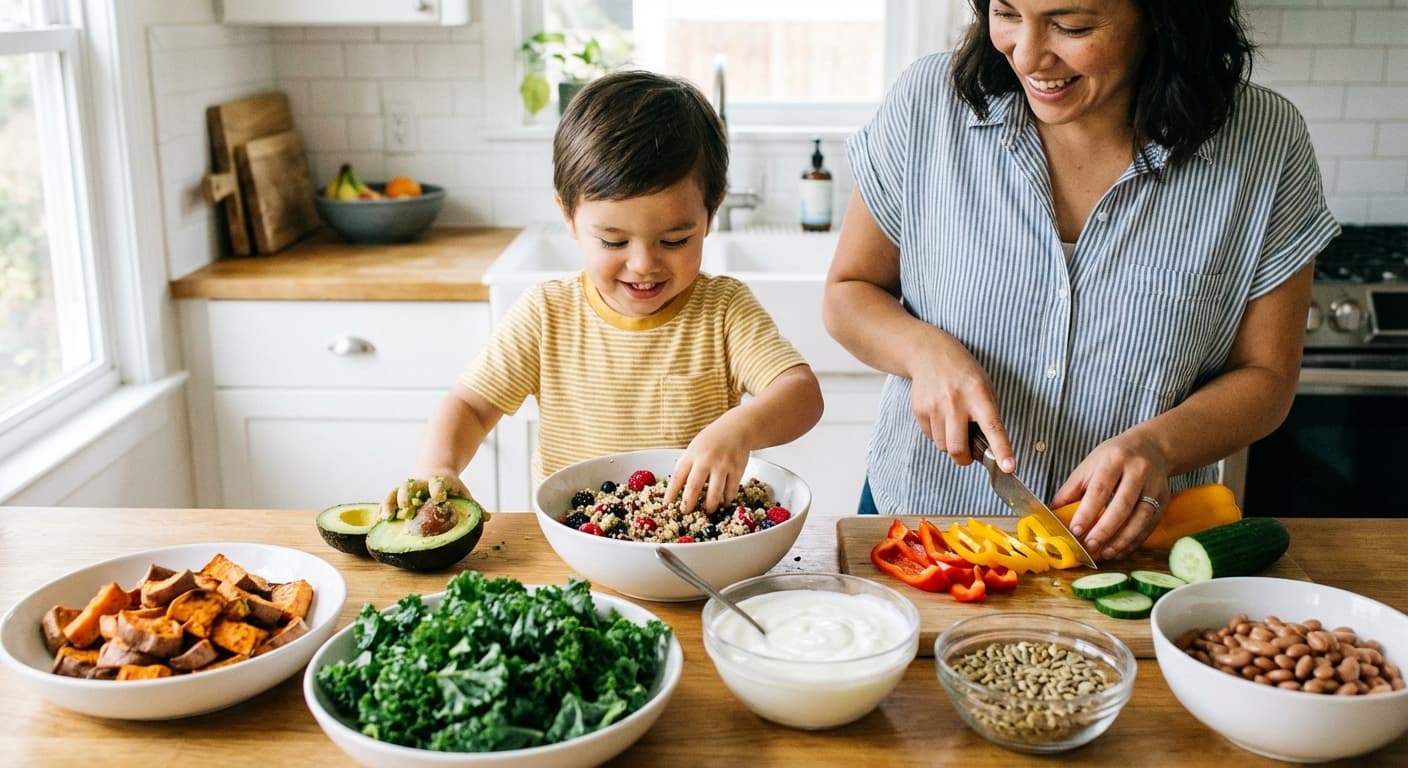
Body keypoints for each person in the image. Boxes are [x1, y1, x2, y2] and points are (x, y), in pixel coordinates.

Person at [823, 0, 1338, 560]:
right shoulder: (928, 102)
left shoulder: (1266, 144)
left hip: (1133, 545)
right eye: (1006, 13)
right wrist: (922, 351)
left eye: (1072, 26)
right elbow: (848, 292)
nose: (1027, 55)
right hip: (922, 525)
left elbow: (1266, 376)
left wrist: (1159, 447)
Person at [402, 69, 823, 516]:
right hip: (575, 547)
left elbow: (801, 393)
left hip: (694, 552)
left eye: (675, 240)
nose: (643, 264)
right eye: (613, 242)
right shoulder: (547, 314)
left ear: (711, 212)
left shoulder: (724, 311)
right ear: (568, 216)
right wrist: (439, 468)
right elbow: (469, 405)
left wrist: (740, 429)